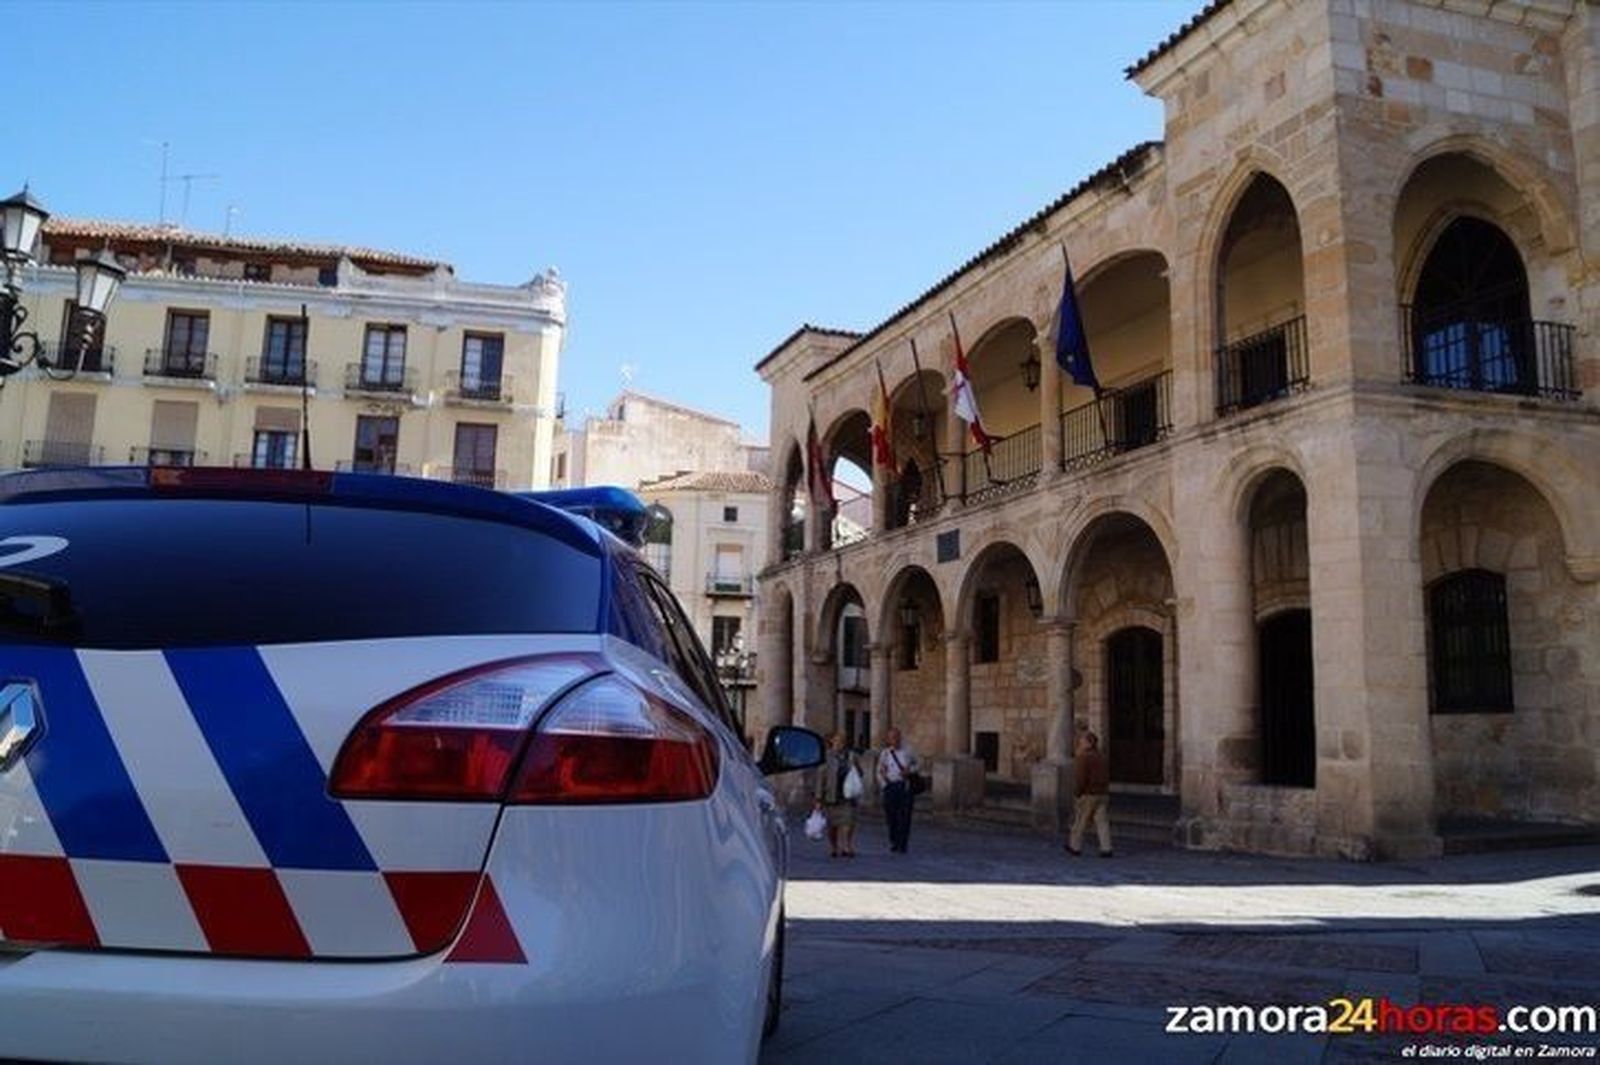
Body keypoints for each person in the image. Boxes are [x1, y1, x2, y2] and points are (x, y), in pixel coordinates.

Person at [1066, 730, 1113, 857]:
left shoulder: (1084, 758)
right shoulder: (1102, 757)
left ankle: (1074, 846)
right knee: (1102, 822)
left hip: (1089, 793)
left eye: (1082, 741)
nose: (1080, 743)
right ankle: (1106, 847)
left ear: (1089, 743)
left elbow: (1081, 778)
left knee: (1080, 821)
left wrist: (1077, 792)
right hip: (1102, 793)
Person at [814, 731, 860, 858]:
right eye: (837, 741)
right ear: (832, 742)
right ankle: (834, 847)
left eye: (842, 741)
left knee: (848, 821)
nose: (840, 743)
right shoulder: (826, 757)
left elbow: (860, 772)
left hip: (848, 795)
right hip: (831, 795)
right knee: (832, 825)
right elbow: (820, 777)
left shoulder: (851, 756)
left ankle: (847, 846)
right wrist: (818, 798)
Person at [876, 726, 920, 853]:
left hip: (904, 786)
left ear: (900, 738)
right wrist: (884, 784)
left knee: (905, 816)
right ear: (888, 740)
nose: (894, 740)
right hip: (890, 786)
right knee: (891, 816)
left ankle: (903, 843)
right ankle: (894, 839)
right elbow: (879, 771)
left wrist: (910, 770)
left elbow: (918, 764)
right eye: (891, 738)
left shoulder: (908, 751)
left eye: (896, 737)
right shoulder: (885, 753)